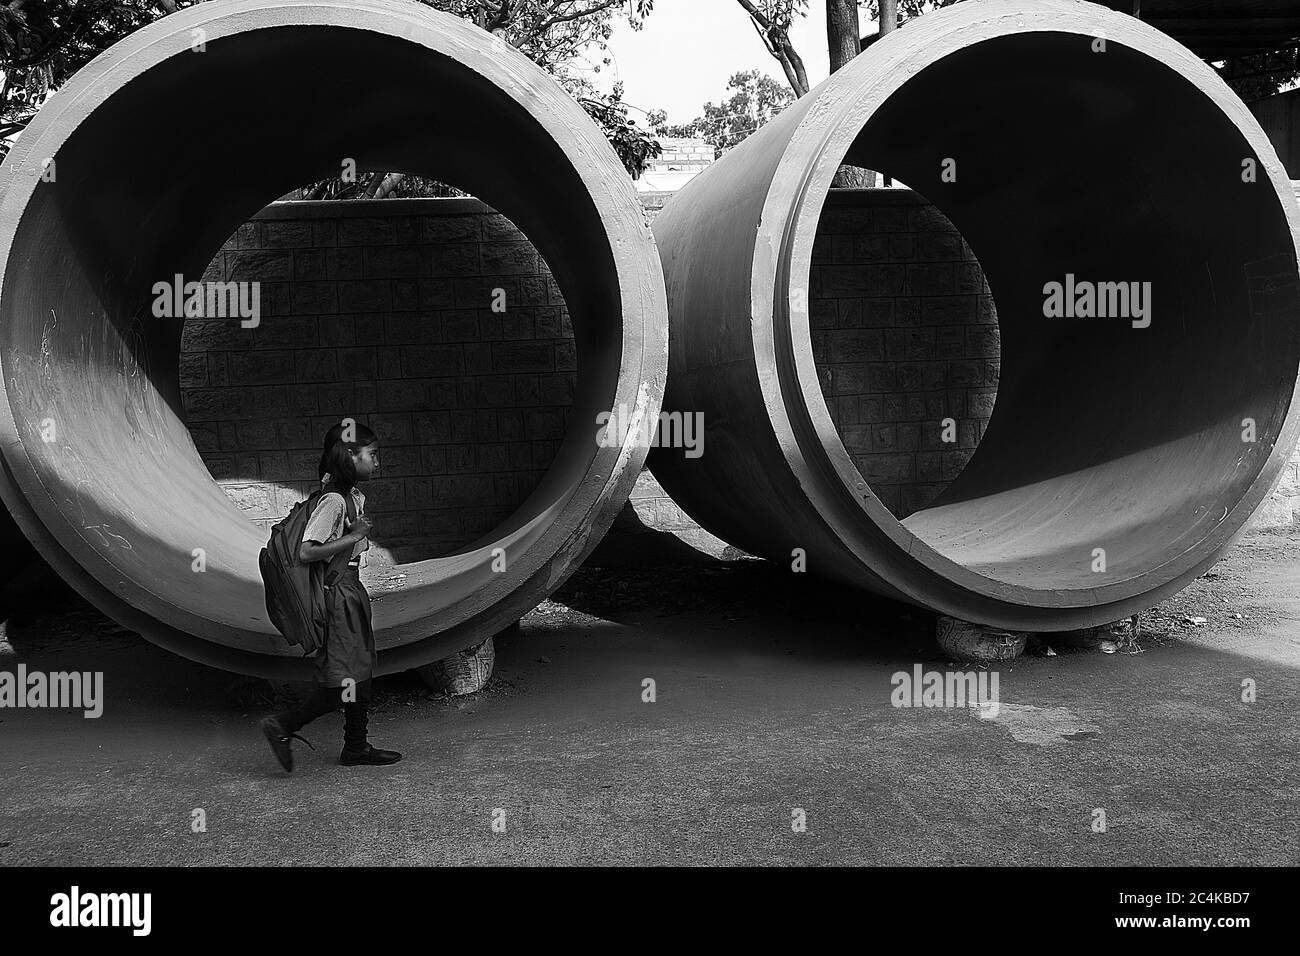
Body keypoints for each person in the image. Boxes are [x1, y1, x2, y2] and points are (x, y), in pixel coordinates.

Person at [260, 421, 401, 771]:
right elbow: (308, 551)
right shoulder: (334, 501)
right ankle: (284, 725)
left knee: (361, 670)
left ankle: (356, 746)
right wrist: (355, 537)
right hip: (338, 596)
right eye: (372, 455)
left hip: (350, 591)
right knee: (343, 678)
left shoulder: (349, 496)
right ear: (350, 456)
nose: (377, 462)